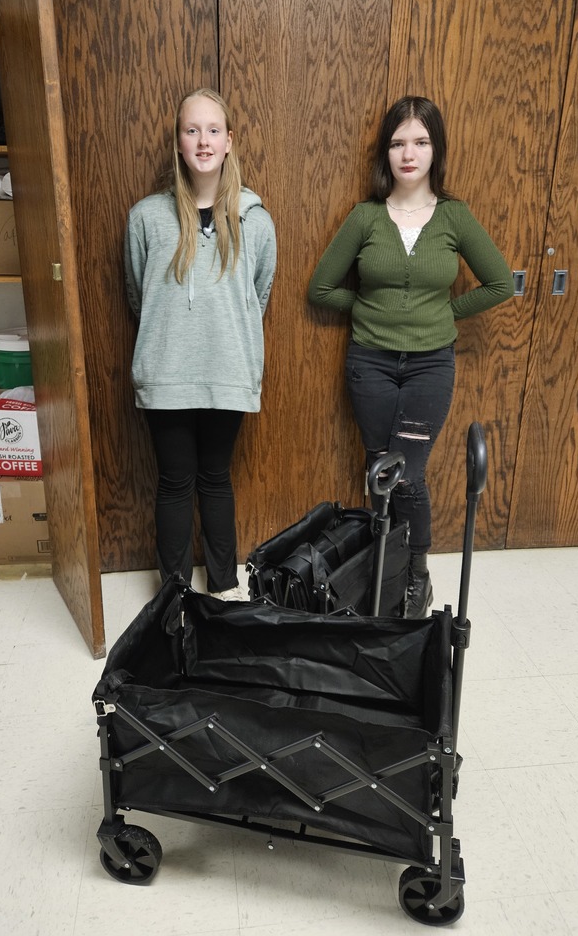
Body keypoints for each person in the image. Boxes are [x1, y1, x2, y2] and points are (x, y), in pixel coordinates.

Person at [308, 95, 513, 618]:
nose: (408, 153)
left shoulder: (454, 217)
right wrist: (375, 312)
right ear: (386, 152)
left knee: (408, 474)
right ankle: (381, 568)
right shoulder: (365, 217)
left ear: (435, 150)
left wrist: (443, 314)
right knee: (379, 469)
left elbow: (498, 284)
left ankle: (416, 575)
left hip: (429, 367)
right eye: (398, 142)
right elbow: (322, 289)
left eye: (420, 141)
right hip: (370, 364)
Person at [124, 87, 277, 599]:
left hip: (227, 369)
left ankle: (224, 589)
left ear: (229, 141)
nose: (203, 140)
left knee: (215, 478)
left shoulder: (255, 219)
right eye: (192, 130)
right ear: (178, 141)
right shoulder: (146, 216)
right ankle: (172, 594)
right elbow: (137, 290)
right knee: (174, 482)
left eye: (213, 130)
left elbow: (259, 293)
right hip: (166, 371)